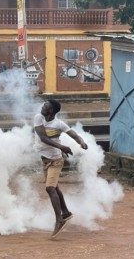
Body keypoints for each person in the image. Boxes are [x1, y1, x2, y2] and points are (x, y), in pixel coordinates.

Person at [34, 99, 88, 238]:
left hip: (56, 160)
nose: (42, 106)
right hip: (45, 160)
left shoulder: (59, 124)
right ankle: (66, 212)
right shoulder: (38, 117)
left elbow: (73, 134)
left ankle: (59, 220)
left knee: (50, 188)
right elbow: (43, 137)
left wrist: (81, 142)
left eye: (45, 106)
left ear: (51, 111)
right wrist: (62, 146)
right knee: (55, 188)